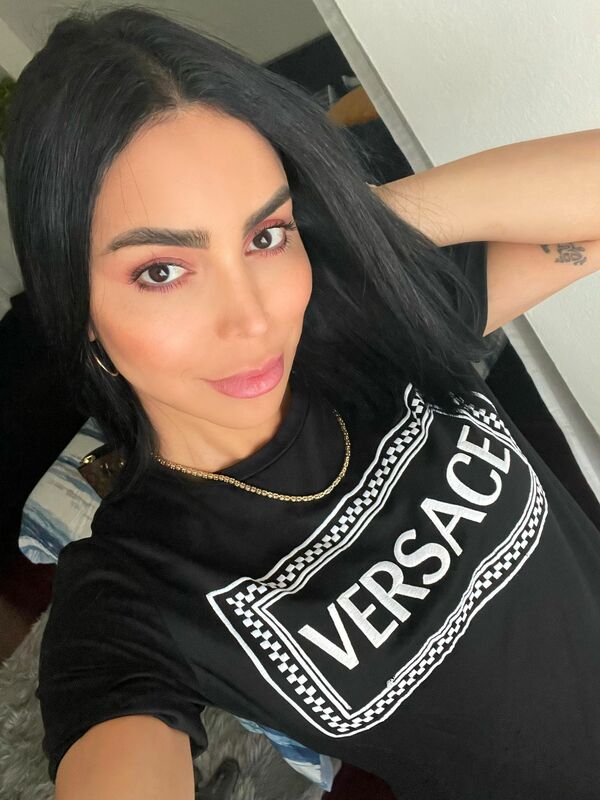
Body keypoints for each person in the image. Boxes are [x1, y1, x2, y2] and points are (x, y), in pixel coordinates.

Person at [3, 5, 600, 799]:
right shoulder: (133, 595)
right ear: (76, 307)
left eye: (264, 235)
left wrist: (359, 228)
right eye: (161, 270)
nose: (254, 320)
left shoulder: (369, 327)